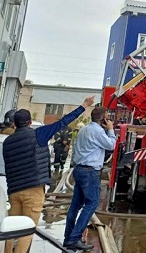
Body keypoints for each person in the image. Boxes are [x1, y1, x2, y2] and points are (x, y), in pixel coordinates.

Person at [2, 97, 95, 253]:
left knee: (10, 231)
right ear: (30, 122)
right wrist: (84, 106)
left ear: (14, 124)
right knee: (26, 230)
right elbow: (63, 122)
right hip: (33, 191)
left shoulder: (7, 142)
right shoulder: (39, 134)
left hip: (13, 192)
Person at [63, 107, 116, 251]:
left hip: (79, 169)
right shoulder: (98, 131)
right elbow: (111, 145)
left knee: (75, 205)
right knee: (91, 204)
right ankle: (74, 239)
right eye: (107, 117)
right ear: (103, 119)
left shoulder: (84, 129)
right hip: (90, 171)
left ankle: (68, 238)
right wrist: (110, 130)